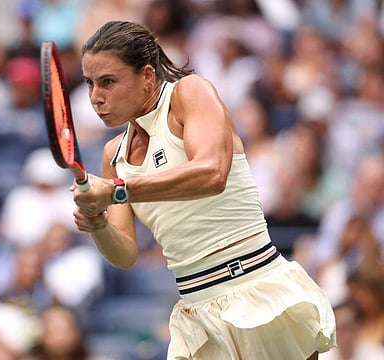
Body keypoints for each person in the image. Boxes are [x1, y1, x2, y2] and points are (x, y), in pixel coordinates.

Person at [71, 20, 336, 360]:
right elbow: (125, 255)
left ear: (147, 76)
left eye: (108, 82)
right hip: (197, 313)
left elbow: (212, 173)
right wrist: (98, 223)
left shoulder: (190, 93)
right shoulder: (114, 156)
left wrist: (117, 191)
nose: (95, 97)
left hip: (256, 290)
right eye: (90, 83)